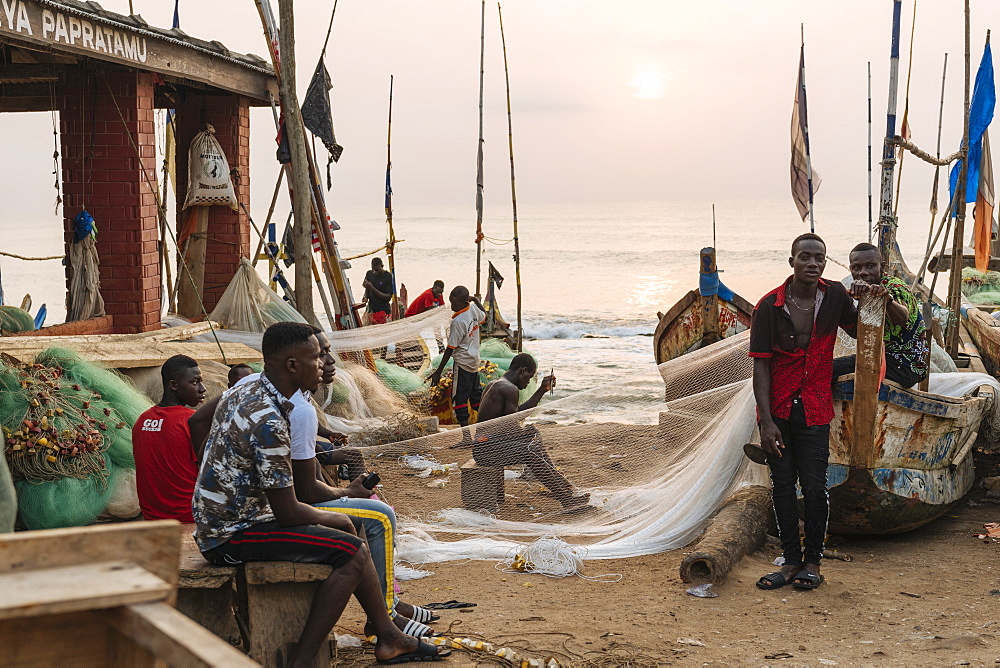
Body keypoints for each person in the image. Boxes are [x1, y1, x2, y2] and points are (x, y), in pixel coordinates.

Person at [192, 321, 448, 666]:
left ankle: (387, 635)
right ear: (293, 365)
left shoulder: (247, 388)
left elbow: (199, 424)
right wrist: (338, 516)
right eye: (316, 357)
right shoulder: (269, 421)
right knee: (351, 553)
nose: (325, 364)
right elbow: (290, 513)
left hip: (222, 520)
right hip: (230, 536)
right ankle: (303, 660)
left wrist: (216, 484)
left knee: (348, 532)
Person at [749, 233, 871, 592]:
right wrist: (766, 422)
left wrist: (874, 297)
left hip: (816, 407)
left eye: (819, 258)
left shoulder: (834, 295)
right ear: (792, 262)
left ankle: (813, 561)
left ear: (825, 262)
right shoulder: (768, 307)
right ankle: (789, 562)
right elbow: (761, 369)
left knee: (816, 488)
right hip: (779, 410)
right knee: (783, 486)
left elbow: (862, 327)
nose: (812, 263)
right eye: (805, 257)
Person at [475, 353, 590, 510]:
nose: (528, 383)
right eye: (529, 377)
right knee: (530, 450)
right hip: (486, 450)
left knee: (531, 434)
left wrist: (542, 390)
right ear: (522, 371)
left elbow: (515, 414)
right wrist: (528, 437)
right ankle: (566, 499)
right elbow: (511, 426)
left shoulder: (495, 384)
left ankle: (563, 487)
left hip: (486, 446)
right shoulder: (509, 389)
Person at [832, 242, 928, 388]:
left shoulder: (895, 287)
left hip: (906, 366)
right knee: (825, 369)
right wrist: (844, 303)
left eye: (870, 266)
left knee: (830, 371)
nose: (863, 272)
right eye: (857, 268)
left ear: (882, 267)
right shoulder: (862, 291)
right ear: (851, 269)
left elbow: (903, 318)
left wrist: (886, 300)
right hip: (877, 358)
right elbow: (856, 333)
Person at [132, 354, 206, 523]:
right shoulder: (192, 421)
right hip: (189, 517)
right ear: (173, 385)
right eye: (195, 382)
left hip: (152, 519)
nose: (202, 389)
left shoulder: (142, 420)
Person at [429, 286, 486, 428]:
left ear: (464, 302)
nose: (452, 307)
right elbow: (484, 314)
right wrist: (476, 301)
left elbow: (450, 348)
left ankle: (466, 437)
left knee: (459, 400)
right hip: (474, 362)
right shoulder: (473, 309)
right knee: (476, 398)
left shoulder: (458, 321)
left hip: (462, 364)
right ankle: (487, 428)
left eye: (455, 304)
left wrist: (437, 372)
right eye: (451, 303)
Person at [362, 257, 394, 325]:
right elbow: (367, 290)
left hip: (383, 310)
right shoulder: (369, 274)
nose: (375, 272)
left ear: (382, 266)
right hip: (372, 310)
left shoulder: (388, 276)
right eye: (373, 270)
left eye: (377, 270)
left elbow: (388, 297)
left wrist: (372, 288)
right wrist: (365, 297)